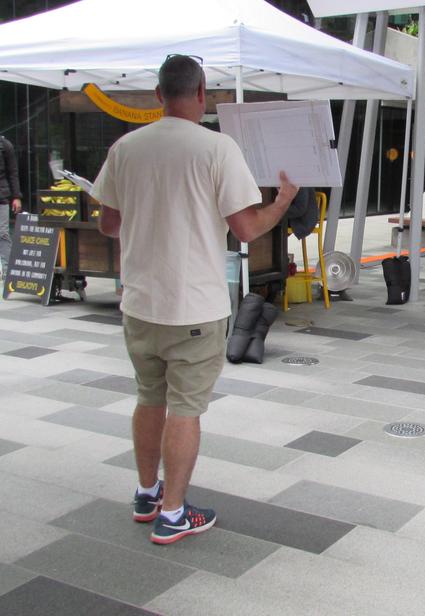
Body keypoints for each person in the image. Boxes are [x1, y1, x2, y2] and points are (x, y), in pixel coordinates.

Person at [93, 54, 298, 545]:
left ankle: (147, 494)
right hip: (196, 307)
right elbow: (246, 228)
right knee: (185, 408)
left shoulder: (125, 147)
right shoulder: (217, 148)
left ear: (158, 95)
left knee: (149, 397)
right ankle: (173, 514)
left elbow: (108, 225)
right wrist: (282, 202)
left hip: (140, 303)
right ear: (203, 93)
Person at [0, 136, 22, 279]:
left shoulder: (5, 145)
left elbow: (13, 172)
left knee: (2, 233)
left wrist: (16, 196)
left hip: (1, 196)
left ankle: (8, 270)